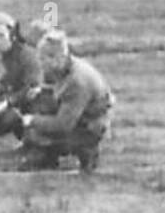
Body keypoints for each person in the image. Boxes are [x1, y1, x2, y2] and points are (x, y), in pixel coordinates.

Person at [14, 29, 113, 172]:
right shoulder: (66, 66)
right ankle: (44, 154)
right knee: (37, 102)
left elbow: (63, 124)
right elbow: (57, 87)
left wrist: (32, 120)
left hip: (89, 126)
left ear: (57, 58)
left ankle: (85, 151)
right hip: (81, 115)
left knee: (37, 131)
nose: (40, 64)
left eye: (43, 59)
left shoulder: (78, 82)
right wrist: (41, 90)